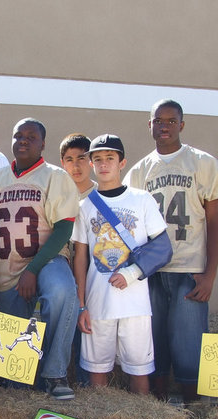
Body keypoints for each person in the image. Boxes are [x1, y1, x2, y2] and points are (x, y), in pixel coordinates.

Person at [126, 99, 218, 404]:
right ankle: (159, 414)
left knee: (189, 347)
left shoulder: (203, 164)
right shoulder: (139, 171)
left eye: (171, 121)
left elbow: (214, 223)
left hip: (190, 270)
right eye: (159, 121)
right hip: (153, 271)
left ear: (182, 125)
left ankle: (194, 412)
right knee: (154, 344)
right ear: (150, 125)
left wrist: (210, 274)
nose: (165, 126)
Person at [0, 118, 79, 400]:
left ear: (43, 144)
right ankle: (23, 388)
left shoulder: (55, 176)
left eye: (31, 137)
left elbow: (64, 228)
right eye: (18, 136)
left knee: (63, 291)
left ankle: (55, 373)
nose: (23, 141)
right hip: (6, 268)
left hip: (47, 261)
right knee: (18, 380)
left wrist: (34, 270)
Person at [72, 134, 170, 393]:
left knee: (139, 372)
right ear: (92, 165)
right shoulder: (85, 207)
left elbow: (163, 248)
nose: (104, 164)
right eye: (98, 159)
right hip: (97, 302)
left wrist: (132, 272)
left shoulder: (142, 200)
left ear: (122, 162)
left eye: (110, 158)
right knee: (97, 374)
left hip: (135, 303)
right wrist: (81, 304)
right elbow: (80, 258)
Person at [60, 133, 96, 385]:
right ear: (62, 163)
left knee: (88, 336)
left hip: (93, 277)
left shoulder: (101, 195)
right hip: (64, 276)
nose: (76, 165)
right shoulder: (58, 195)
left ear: (91, 161)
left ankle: (85, 386)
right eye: (70, 159)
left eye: (81, 158)